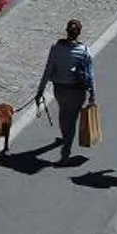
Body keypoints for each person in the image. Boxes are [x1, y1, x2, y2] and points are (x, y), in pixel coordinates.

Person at [35, 19, 96, 164]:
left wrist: (40, 91)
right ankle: (66, 151)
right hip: (77, 91)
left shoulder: (56, 48)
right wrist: (93, 94)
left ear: (66, 31)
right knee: (72, 120)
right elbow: (90, 74)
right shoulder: (85, 51)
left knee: (63, 116)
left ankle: (65, 140)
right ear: (79, 33)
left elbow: (48, 70)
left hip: (60, 89)